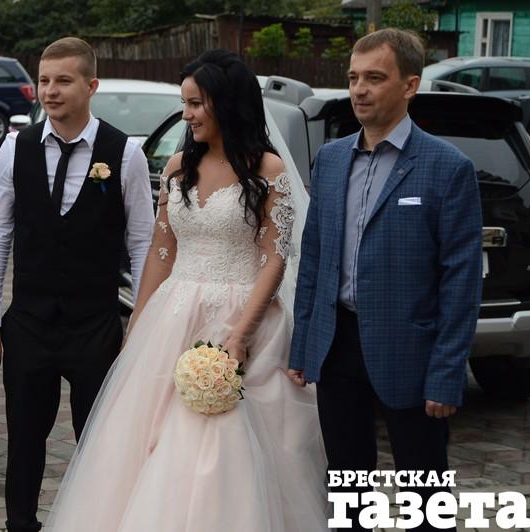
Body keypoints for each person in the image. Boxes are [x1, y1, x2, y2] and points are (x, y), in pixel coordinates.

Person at [44, 49, 329, 531]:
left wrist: (241, 333)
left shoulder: (268, 169)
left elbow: (274, 259)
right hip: (172, 317)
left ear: (226, 103)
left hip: (243, 315)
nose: (187, 115)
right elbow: (162, 252)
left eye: (196, 104)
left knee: (225, 442)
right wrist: (137, 326)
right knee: (148, 439)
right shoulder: (178, 166)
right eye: (185, 103)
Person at [288, 28, 483, 532]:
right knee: (347, 489)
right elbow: (314, 259)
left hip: (411, 355)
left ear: (410, 85)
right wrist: (304, 345)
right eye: (354, 78)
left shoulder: (447, 168)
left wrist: (447, 373)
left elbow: (461, 283)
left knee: (425, 498)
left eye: (375, 78)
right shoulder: (331, 160)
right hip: (337, 347)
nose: (360, 89)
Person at [0, 37, 155, 532]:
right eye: (44, 80)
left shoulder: (126, 154)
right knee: (24, 441)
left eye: (63, 81)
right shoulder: (15, 148)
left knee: (99, 443)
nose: (50, 91)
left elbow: (143, 243)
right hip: (28, 322)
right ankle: (20, 525)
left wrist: (143, 321)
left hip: (95, 324)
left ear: (91, 86)